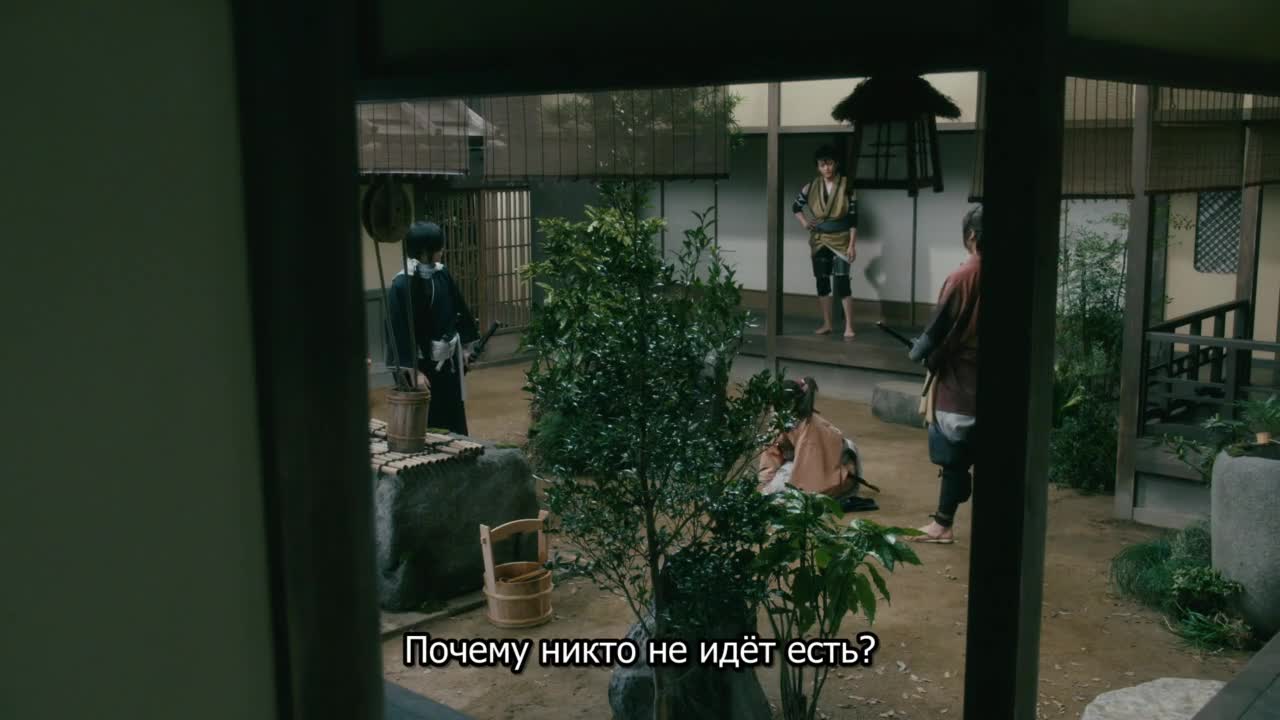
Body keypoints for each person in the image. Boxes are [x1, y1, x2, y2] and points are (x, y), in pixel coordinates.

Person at [906, 205, 982, 544]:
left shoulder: (965, 275)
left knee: (953, 453)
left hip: (961, 377)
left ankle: (942, 525)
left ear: (971, 235)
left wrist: (919, 351)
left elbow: (938, 328)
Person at [385, 221, 480, 436]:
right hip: (422, 366)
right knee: (428, 423)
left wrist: (466, 349)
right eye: (438, 247)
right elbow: (398, 332)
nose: (442, 250)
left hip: (449, 363)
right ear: (424, 251)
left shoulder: (441, 273)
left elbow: (459, 308)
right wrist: (413, 370)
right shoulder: (401, 284)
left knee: (454, 416)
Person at [757, 377, 879, 512]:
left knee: (785, 500)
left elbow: (810, 474)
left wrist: (795, 496)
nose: (772, 410)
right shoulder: (782, 420)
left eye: (776, 406)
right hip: (802, 464)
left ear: (791, 404)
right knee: (768, 493)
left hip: (840, 470)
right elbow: (771, 455)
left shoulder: (810, 428)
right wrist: (765, 484)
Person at [793, 144, 859, 339]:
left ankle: (849, 326)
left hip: (841, 238)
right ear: (818, 167)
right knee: (822, 281)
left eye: (829, 164)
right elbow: (796, 207)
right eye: (822, 165)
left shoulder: (847, 186)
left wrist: (852, 245)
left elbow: (853, 218)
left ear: (835, 164)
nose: (826, 168)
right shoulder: (810, 186)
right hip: (819, 239)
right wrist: (805, 223)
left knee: (843, 282)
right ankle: (827, 323)